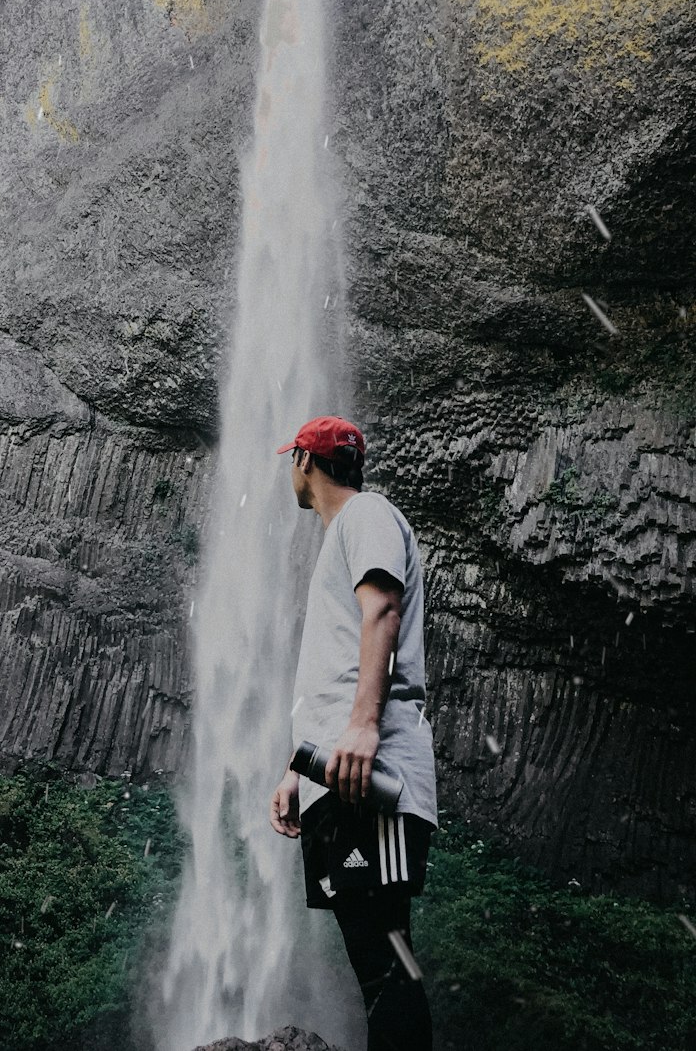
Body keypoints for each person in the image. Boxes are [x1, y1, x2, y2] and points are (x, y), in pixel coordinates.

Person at [269, 415, 437, 1051]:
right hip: (335, 775)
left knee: (387, 960)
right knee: (375, 958)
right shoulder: (343, 536)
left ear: (306, 465)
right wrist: (295, 769)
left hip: (368, 770)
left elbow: (383, 611)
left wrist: (365, 725)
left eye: (292, 460)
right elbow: (334, 673)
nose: (290, 470)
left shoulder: (366, 514)